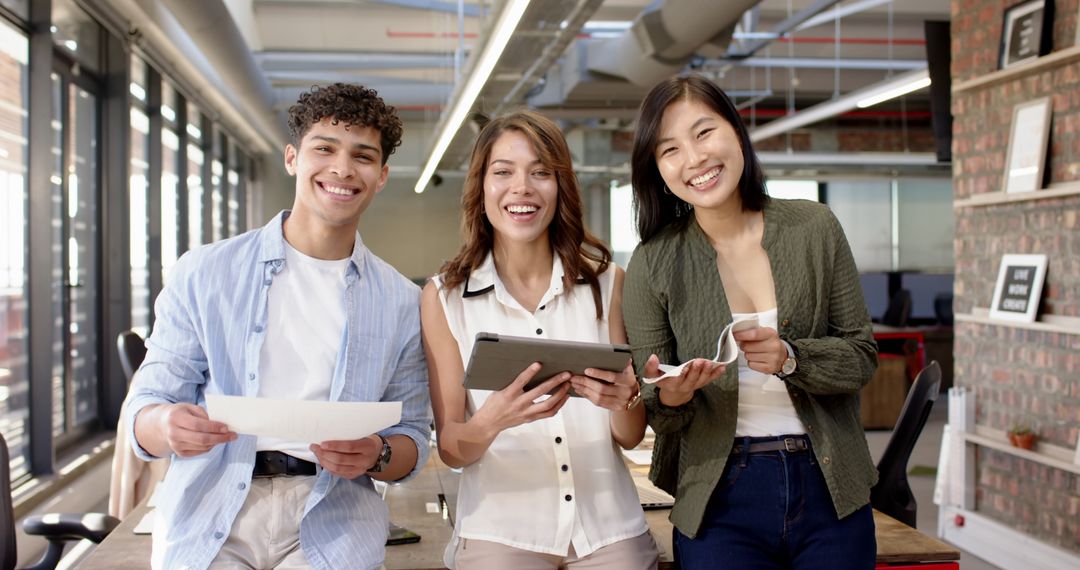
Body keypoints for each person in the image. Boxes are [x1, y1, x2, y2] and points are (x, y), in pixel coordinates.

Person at [126, 83, 432, 570]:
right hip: (212, 503)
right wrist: (165, 425)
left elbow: (412, 438)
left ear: (381, 177)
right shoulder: (206, 272)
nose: (342, 169)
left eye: (362, 156)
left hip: (335, 514)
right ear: (292, 158)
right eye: (324, 148)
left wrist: (375, 453)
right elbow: (146, 407)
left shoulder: (401, 301)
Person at [623, 74, 879, 569]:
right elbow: (655, 406)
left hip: (830, 483)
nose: (694, 159)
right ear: (657, 169)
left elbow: (862, 357)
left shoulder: (815, 228)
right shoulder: (653, 262)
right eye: (670, 149)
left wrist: (791, 358)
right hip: (720, 493)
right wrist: (673, 394)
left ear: (736, 132)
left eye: (704, 132)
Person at [421, 109, 659, 569]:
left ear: (560, 186)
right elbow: (451, 449)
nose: (522, 188)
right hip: (500, 531)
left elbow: (629, 438)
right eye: (503, 172)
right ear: (481, 188)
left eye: (540, 172)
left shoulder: (609, 283)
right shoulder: (445, 299)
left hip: (608, 529)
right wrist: (491, 421)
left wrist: (625, 401)